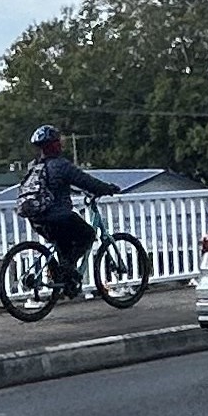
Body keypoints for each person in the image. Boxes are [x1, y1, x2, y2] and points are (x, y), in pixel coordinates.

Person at [15, 125, 121, 295]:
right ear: (53, 145)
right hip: (59, 217)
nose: (60, 144)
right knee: (87, 235)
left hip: (37, 219)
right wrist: (107, 188)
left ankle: (65, 282)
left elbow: (51, 187)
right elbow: (86, 181)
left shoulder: (34, 167)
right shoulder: (61, 166)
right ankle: (64, 270)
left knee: (64, 247)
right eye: (58, 141)